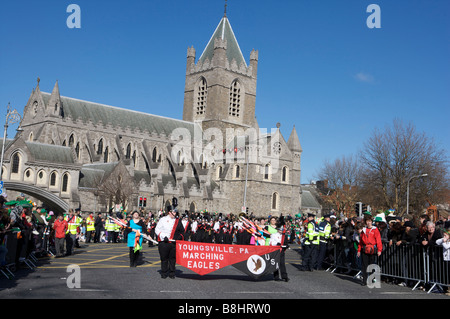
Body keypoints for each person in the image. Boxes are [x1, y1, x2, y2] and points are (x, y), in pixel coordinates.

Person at [154, 206, 185, 278]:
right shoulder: (163, 219)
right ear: (169, 212)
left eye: (175, 211)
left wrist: (179, 237)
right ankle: (164, 272)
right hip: (164, 242)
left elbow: (182, 231)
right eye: (173, 211)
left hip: (173, 243)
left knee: (172, 258)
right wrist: (163, 236)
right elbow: (157, 229)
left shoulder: (178, 221)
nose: (175, 213)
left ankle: (172, 273)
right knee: (164, 258)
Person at [357, 215, 382, 286]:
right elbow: (361, 241)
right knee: (364, 265)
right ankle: (364, 280)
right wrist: (359, 250)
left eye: (370, 221)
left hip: (372, 249)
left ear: (371, 222)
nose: (368, 223)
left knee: (371, 264)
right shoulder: (364, 230)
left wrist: (379, 250)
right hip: (365, 249)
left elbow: (378, 240)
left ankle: (371, 278)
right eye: (367, 221)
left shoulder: (375, 230)